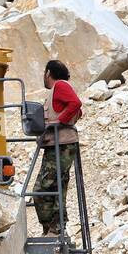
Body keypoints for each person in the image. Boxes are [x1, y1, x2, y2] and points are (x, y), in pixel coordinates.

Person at [35, 59, 82, 235]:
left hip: (61, 145)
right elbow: (76, 111)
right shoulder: (58, 90)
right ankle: (52, 229)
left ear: (48, 73)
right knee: (54, 186)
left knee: (43, 187)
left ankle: (55, 228)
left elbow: (76, 104)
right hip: (57, 144)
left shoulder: (61, 86)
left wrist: (58, 122)